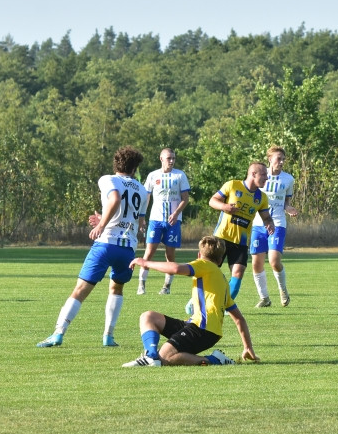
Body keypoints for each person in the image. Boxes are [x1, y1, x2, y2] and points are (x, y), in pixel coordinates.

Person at [37, 146, 148, 348]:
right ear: (134, 169)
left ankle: (58, 334)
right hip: (127, 249)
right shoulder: (142, 189)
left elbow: (115, 199)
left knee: (80, 290)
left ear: (116, 164)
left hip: (106, 244)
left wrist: (101, 224)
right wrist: (105, 218)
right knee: (116, 288)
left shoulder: (108, 179)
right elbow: (139, 222)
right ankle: (108, 336)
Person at [121, 236, 260, 367]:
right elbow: (239, 319)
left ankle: (214, 360)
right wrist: (248, 347)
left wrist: (145, 262)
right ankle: (150, 356)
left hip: (203, 329)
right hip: (201, 327)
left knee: (165, 357)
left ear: (199, 255)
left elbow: (176, 268)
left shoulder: (204, 264)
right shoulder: (222, 280)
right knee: (148, 317)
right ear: (220, 260)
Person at [208, 162, 274, 300]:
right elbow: (212, 201)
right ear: (253, 174)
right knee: (209, 272)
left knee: (238, 274)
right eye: (264, 175)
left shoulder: (262, 197)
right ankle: (196, 301)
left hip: (241, 243)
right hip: (221, 238)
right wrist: (224, 206)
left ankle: (224, 306)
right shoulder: (232, 185)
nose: (267, 178)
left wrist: (269, 223)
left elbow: (266, 217)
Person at [137, 147, 190, 296]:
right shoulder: (153, 176)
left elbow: (185, 199)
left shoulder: (180, 175)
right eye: (169, 158)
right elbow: (146, 198)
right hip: (155, 220)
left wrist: (176, 214)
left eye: (173, 158)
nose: (172, 161)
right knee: (149, 252)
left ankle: (166, 286)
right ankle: (141, 284)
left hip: (173, 221)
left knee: (170, 255)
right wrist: (142, 217)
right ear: (161, 159)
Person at [250, 146, 298, 308]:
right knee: (257, 263)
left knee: (274, 261)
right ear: (270, 159)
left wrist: (288, 208)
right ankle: (264, 298)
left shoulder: (288, 179)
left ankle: (283, 290)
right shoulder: (260, 176)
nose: (282, 162)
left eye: (283, 159)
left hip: (277, 223)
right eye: (279, 158)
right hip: (258, 224)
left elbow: (286, 202)